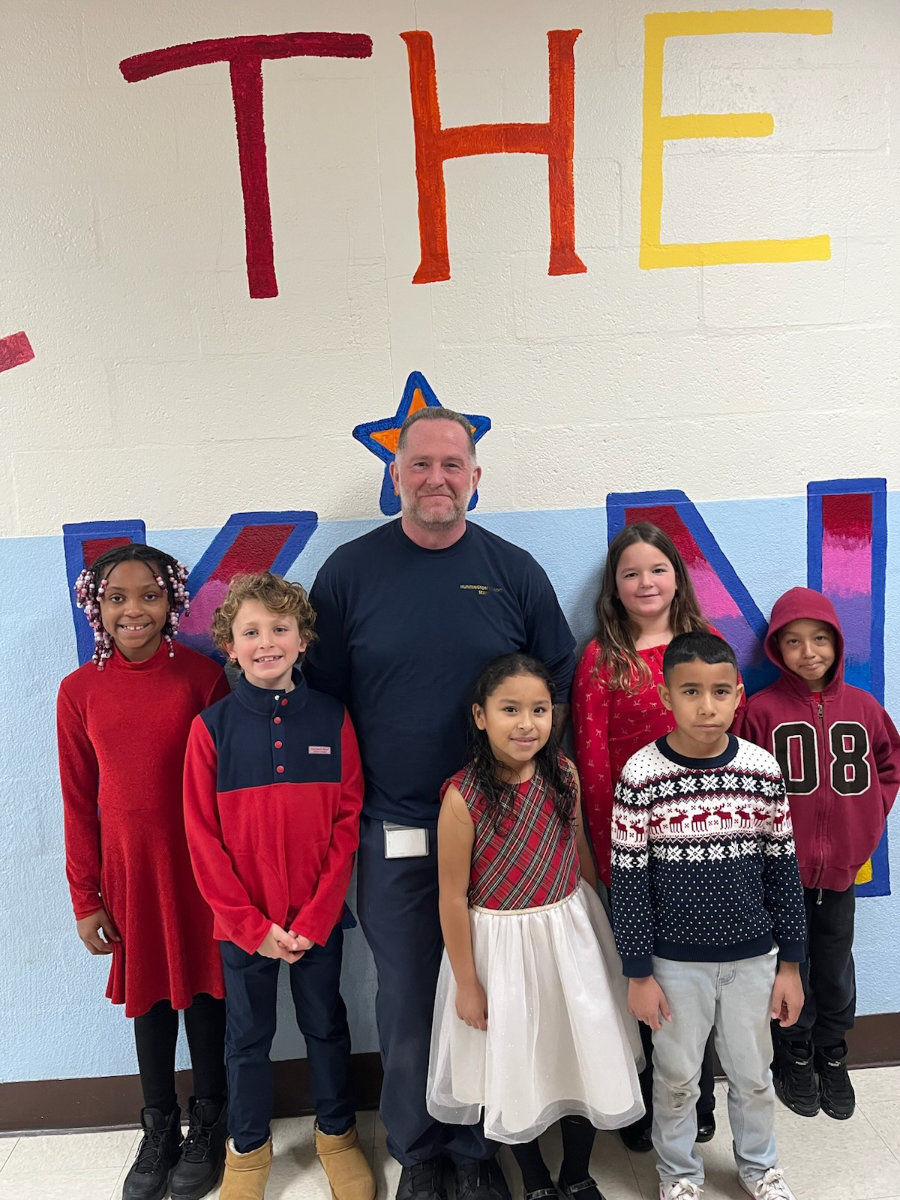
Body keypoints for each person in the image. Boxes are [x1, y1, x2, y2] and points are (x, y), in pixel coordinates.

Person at [304, 406, 576, 1200]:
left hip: (501, 827)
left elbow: (553, 680)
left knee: (487, 990)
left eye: (452, 466)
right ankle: (419, 1149)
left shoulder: (513, 568)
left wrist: (534, 788)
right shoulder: (350, 573)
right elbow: (322, 698)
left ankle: (476, 1146)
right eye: (419, 465)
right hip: (395, 823)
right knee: (410, 991)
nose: (436, 480)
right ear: (396, 476)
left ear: (476, 479)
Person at [183, 573, 375, 1200]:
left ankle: (337, 1134)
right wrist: (250, 926)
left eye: (279, 629)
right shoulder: (209, 731)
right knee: (247, 1037)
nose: (266, 642)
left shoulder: (332, 718)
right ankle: (248, 1148)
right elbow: (201, 839)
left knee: (326, 1024)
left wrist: (316, 916)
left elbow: (347, 824)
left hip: (316, 920)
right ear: (230, 647)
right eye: (250, 632)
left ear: (302, 639)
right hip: (244, 926)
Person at [427, 654, 643, 1200]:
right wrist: (469, 983)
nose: (527, 723)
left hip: (569, 937)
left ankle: (577, 1173)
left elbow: (578, 851)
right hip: (499, 949)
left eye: (540, 710)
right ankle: (535, 1179)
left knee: (582, 1050)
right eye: (510, 709)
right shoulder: (462, 796)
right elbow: (451, 896)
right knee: (515, 1061)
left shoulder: (562, 773)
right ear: (480, 716)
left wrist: (596, 923)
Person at [57, 543, 230, 1200]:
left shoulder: (201, 678)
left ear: (171, 602)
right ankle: (158, 1124)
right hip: (129, 875)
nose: (134, 611)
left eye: (149, 596)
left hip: (199, 868)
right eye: (118, 598)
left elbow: (223, 785)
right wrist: (85, 896)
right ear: (96, 606)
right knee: (151, 998)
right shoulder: (78, 692)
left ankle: (208, 1117)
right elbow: (78, 799)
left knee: (208, 994)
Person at [611, 631, 807, 1200]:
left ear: (739, 694)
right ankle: (678, 1174)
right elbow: (629, 886)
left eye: (720, 691)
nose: (706, 706)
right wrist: (639, 972)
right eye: (691, 691)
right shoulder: (641, 776)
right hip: (674, 966)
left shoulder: (762, 770)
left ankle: (760, 1168)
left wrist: (790, 965)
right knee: (674, 1078)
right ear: (666, 696)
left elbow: (781, 871)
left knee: (753, 1075)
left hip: (754, 960)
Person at [571, 522, 724, 1151]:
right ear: (614, 586)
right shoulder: (602, 658)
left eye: (656, 569)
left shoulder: (707, 646)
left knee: (698, 975)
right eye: (630, 573)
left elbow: (726, 746)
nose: (644, 582)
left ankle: (701, 1093)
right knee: (642, 978)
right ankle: (647, 1099)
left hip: (705, 845)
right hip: (633, 849)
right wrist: (610, 854)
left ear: (676, 577)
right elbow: (592, 760)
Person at [737, 587, 900, 1121]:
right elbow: (739, 785)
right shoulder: (760, 714)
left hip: (840, 874)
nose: (809, 652)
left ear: (837, 642)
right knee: (789, 968)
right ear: (775, 649)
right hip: (779, 874)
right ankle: (795, 1053)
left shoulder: (864, 708)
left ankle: (832, 1053)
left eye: (820, 639)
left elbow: (889, 766)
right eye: (793, 641)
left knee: (834, 967)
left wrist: (868, 822)